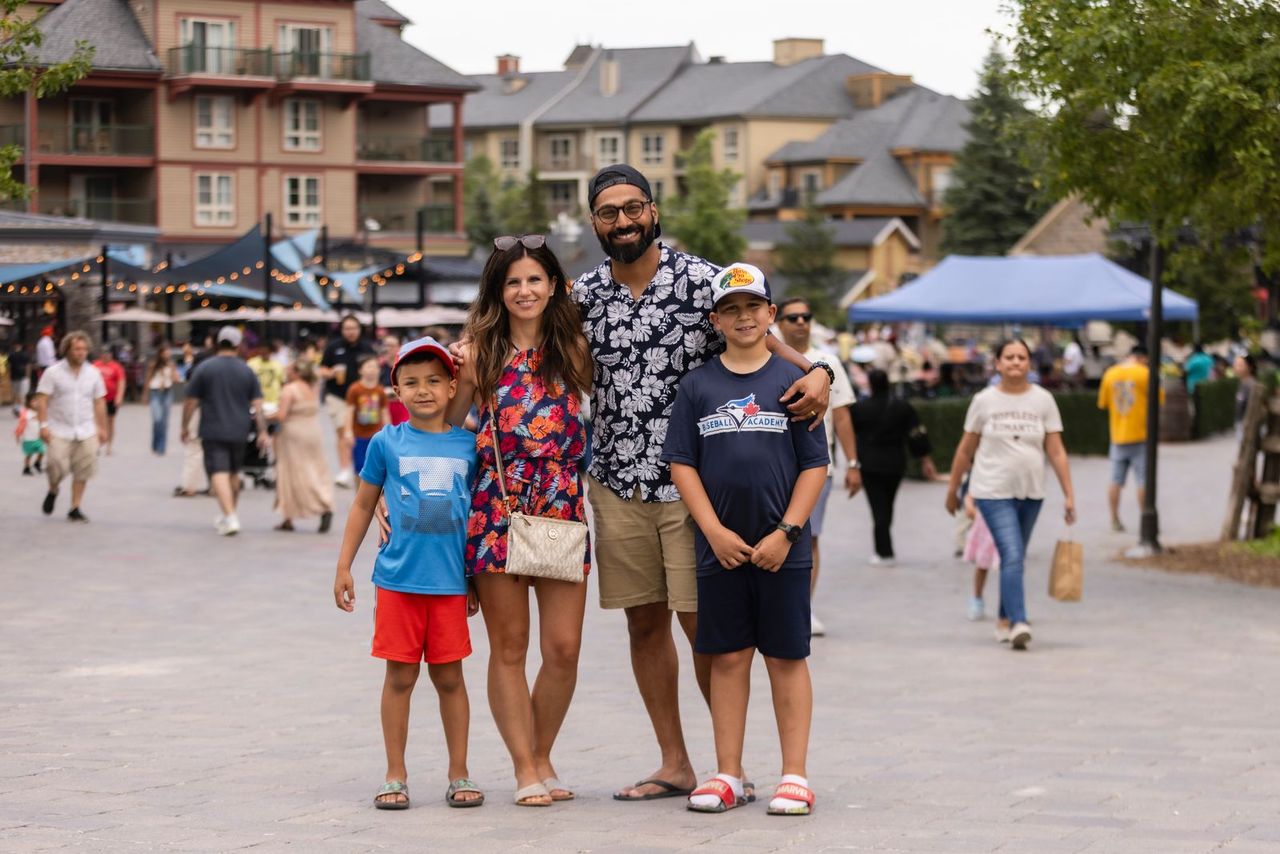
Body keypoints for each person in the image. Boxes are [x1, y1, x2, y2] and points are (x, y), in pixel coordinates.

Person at [563, 164, 830, 802]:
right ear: (595, 223)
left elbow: (757, 330)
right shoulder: (585, 293)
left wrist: (818, 369)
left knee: (706, 628)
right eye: (608, 212)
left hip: (695, 489)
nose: (622, 221)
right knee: (644, 625)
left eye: (633, 208)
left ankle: (727, 765)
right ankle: (677, 762)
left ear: (653, 211)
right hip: (617, 480)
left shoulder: (701, 281)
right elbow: (525, 333)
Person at [661, 263, 827, 816]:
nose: (743, 317)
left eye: (753, 306)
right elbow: (682, 464)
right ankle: (727, 772)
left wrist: (787, 531)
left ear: (771, 315)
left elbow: (815, 466)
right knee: (727, 658)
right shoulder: (698, 385)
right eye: (730, 309)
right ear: (716, 320)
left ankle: (794, 775)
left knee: (786, 657)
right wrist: (713, 529)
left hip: (785, 551)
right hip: (721, 548)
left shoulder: (794, 385)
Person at [448, 235, 592, 807]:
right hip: (496, 509)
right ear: (498, 292)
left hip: (561, 504)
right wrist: (396, 491)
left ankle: (543, 752)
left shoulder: (578, 351)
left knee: (563, 649)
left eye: (535, 279)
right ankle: (525, 766)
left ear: (554, 285)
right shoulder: (479, 356)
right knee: (509, 648)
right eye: (513, 282)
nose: (525, 290)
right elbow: (447, 428)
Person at [332, 337, 483, 811]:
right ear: (395, 390)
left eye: (435, 381)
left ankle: (459, 773)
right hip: (397, 582)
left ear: (452, 385)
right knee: (399, 678)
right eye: (412, 382)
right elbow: (362, 503)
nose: (424, 390)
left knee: (451, 680)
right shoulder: (385, 442)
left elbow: (477, 515)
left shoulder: (470, 444)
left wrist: (476, 578)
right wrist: (344, 565)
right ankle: (395, 773)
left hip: (450, 585)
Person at [945, 339, 1076, 651]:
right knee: (1013, 553)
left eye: (1022, 357)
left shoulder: (1043, 400)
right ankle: (1019, 620)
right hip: (992, 490)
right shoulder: (984, 400)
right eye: (1009, 357)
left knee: (1011, 557)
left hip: (1032, 491)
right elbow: (966, 449)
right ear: (998, 364)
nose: (1016, 362)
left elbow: (1056, 451)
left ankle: (1003, 619)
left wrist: (1069, 494)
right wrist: (953, 490)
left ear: (1029, 363)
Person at [774, 297, 859, 637]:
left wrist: (853, 462)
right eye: (792, 317)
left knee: (807, 539)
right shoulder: (767, 359)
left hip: (817, 467)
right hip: (776, 466)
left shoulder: (828, 362)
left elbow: (842, 416)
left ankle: (802, 609)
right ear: (777, 320)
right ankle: (774, 607)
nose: (799, 322)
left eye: (805, 316)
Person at [181, 326, 267, 536]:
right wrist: (263, 431)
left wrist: (184, 426)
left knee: (218, 473)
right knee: (233, 473)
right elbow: (258, 405)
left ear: (219, 343)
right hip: (240, 429)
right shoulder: (247, 370)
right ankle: (229, 513)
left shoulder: (204, 368)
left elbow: (190, 402)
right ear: (238, 346)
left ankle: (230, 516)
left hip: (212, 428)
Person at [850, 369, 937, 566]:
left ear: (870, 384)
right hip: (895, 463)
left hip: (870, 464)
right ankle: (885, 548)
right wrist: (925, 459)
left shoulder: (860, 408)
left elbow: (849, 433)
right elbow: (917, 433)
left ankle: (883, 551)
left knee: (877, 507)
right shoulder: (902, 406)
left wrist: (851, 461)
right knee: (887, 505)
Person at [34, 331, 107, 522]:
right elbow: (42, 400)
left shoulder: (93, 373)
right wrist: (43, 425)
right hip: (59, 428)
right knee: (55, 465)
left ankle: (75, 507)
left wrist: (102, 428)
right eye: (76, 349)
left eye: (84, 349)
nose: (81, 353)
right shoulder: (53, 372)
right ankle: (53, 489)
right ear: (67, 350)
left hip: (86, 428)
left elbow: (99, 401)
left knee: (83, 468)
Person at [1097, 345, 1162, 532]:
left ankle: (1114, 518)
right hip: (1141, 435)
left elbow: (1103, 403)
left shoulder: (1110, 374)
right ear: (1143, 357)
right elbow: (1159, 401)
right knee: (1143, 481)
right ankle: (1145, 519)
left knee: (1115, 481)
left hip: (1118, 436)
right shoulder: (1146, 373)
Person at [268, 360, 333, 532]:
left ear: (296, 372)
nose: (286, 373)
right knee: (316, 469)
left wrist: (264, 415)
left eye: (289, 370)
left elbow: (281, 415)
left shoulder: (290, 389)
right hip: (313, 431)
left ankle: (321, 506)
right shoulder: (312, 388)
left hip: (293, 433)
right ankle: (289, 517)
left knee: (292, 472)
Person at [320, 315, 376, 488]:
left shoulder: (367, 347)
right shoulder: (333, 347)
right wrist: (330, 373)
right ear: (342, 330)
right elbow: (322, 369)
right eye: (347, 328)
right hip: (337, 396)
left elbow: (373, 368)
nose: (350, 332)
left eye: (354, 328)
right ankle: (345, 468)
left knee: (364, 431)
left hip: (362, 397)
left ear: (359, 329)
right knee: (342, 431)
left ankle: (361, 468)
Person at [346, 354, 389, 476]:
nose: (372, 370)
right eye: (369, 367)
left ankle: (373, 495)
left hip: (375, 435)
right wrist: (348, 432)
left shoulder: (380, 390)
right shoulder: (355, 389)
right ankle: (358, 494)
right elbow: (350, 411)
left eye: (375, 367)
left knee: (376, 468)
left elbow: (384, 412)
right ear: (360, 370)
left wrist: (388, 432)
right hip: (358, 435)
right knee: (359, 469)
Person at [962, 491, 997, 620]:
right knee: (982, 565)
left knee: (1010, 567)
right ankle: (977, 598)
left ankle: (1013, 606)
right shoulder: (985, 475)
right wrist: (970, 506)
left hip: (1006, 523)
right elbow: (970, 494)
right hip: (986, 525)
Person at [143, 344, 179, 455]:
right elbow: (148, 379)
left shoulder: (171, 364)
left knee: (164, 421)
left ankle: (161, 447)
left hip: (167, 392)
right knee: (157, 419)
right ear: (160, 353)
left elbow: (176, 380)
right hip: (155, 392)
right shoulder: (153, 364)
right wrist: (145, 394)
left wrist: (173, 370)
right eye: (166, 352)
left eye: (169, 353)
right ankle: (155, 443)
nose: (168, 354)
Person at [93, 347, 127, 455]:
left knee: (110, 422)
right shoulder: (95, 365)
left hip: (111, 398)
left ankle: (109, 446)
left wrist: (119, 396)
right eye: (104, 354)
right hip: (98, 398)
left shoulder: (116, 367)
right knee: (97, 421)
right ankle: (97, 445)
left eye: (108, 354)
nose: (106, 356)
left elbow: (121, 381)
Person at [14, 390, 45, 475]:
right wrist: (17, 436)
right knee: (29, 454)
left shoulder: (40, 412)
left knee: (42, 451)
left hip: (38, 438)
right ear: (28, 402)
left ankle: (37, 463)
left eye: (37, 401)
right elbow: (20, 426)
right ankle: (26, 468)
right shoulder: (26, 413)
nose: (36, 403)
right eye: (33, 401)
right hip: (28, 439)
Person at [1234, 352, 1259, 430]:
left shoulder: (1252, 385)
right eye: (1235, 365)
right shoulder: (1243, 383)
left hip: (1248, 426)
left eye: (1240, 365)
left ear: (1250, 367)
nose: (1236, 368)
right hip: (1241, 424)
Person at [9, 342, 31, 416]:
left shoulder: (11, 355)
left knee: (15, 393)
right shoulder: (24, 354)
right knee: (22, 393)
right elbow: (27, 365)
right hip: (22, 376)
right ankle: (21, 408)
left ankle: (15, 408)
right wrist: (27, 376)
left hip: (14, 376)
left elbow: (9, 366)